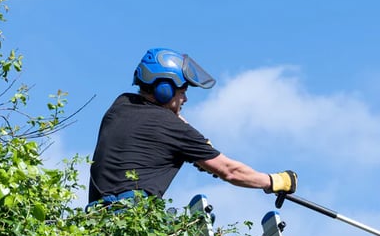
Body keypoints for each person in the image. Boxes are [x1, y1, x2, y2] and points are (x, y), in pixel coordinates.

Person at [87, 47, 297, 208]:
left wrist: (199, 149)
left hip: (96, 219)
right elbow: (230, 171)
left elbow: (162, 127)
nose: (185, 98)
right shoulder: (173, 129)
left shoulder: (120, 105)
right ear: (164, 90)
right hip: (133, 219)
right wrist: (274, 181)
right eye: (182, 92)